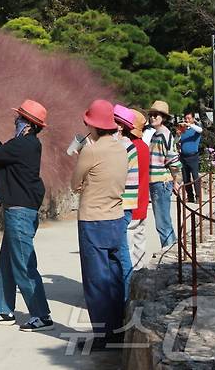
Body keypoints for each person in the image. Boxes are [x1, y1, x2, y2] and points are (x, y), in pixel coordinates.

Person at [0, 99, 53, 332]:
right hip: (19, 211)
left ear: (27, 124)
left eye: (19, 118)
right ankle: (4, 310)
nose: (15, 120)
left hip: (20, 213)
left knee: (23, 264)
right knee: (6, 263)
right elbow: (2, 151)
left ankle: (41, 315)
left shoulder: (24, 145)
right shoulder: (25, 144)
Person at [71, 99, 128, 349]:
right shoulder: (121, 148)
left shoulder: (91, 150)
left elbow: (75, 183)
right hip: (116, 218)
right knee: (115, 277)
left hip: (93, 219)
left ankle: (103, 335)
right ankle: (118, 329)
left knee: (96, 279)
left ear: (92, 125)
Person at [147, 101, 181, 248]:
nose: (153, 117)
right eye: (151, 114)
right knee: (163, 221)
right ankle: (172, 251)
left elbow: (173, 161)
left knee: (162, 223)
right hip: (158, 181)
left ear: (163, 118)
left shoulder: (164, 135)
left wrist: (175, 181)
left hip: (160, 182)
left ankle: (169, 253)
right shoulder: (157, 134)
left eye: (156, 115)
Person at [113, 105, 138, 300]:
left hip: (121, 205)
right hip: (124, 205)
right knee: (118, 251)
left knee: (121, 253)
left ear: (121, 126)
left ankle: (127, 297)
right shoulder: (125, 145)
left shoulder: (123, 146)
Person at [126, 110, 150, 270]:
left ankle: (129, 279)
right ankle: (140, 273)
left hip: (130, 203)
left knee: (127, 246)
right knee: (140, 241)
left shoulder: (129, 148)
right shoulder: (144, 147)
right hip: (142, 201)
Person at [178, 111, 203, 202]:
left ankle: (198, 196)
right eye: (186, 118)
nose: (187, 120)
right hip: (183, 156)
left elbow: (200, 130)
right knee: (186, 178)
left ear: (193, 119)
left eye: (189, 118)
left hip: (193, 156)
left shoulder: (196, 128)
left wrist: (190, 124)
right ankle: (190, 196)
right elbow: (177, 140)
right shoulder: (183, 130)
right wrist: (178, 134)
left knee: (195, 176)